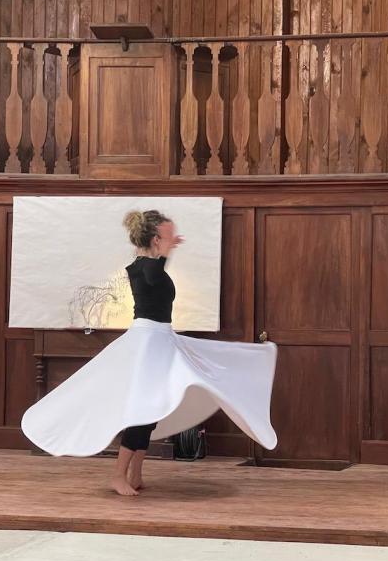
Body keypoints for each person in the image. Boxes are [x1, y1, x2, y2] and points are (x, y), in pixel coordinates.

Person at [22, 209, 278, 496]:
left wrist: (165, 249)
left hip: (160, 340)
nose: (171, 239)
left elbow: (157, 277)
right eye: (166, 235)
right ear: (156, 239)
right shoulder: (143, 267)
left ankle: (135, 473)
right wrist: (166, 251)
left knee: (151, 411)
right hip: (147, 343)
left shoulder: (149, 264)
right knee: (141, 411)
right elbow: (153, 276)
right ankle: (118, 475)